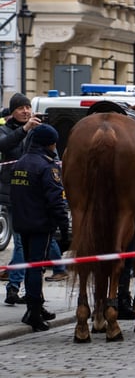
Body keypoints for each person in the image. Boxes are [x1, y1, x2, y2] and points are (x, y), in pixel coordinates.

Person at [9, 123, 70, 332]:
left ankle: (36, 305)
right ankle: (34, 312)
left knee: (30, 265)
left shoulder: (21, 162)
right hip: (40, 225)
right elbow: (56, 201)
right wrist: (65, 227)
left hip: (22, 223)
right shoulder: (47, 166)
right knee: (37, 267)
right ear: (49, 144)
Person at [0, 92, 42, 306]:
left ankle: (25, 288)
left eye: (28, 107)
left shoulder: (36, 129)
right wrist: (25, 130)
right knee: (19, 244)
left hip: (33, 194)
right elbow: (6, 146)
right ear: (13, 111)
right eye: (21, 108)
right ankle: (13, 287)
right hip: (13, 193)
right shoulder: (4, 129)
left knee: (31, 245)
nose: (26, 111)